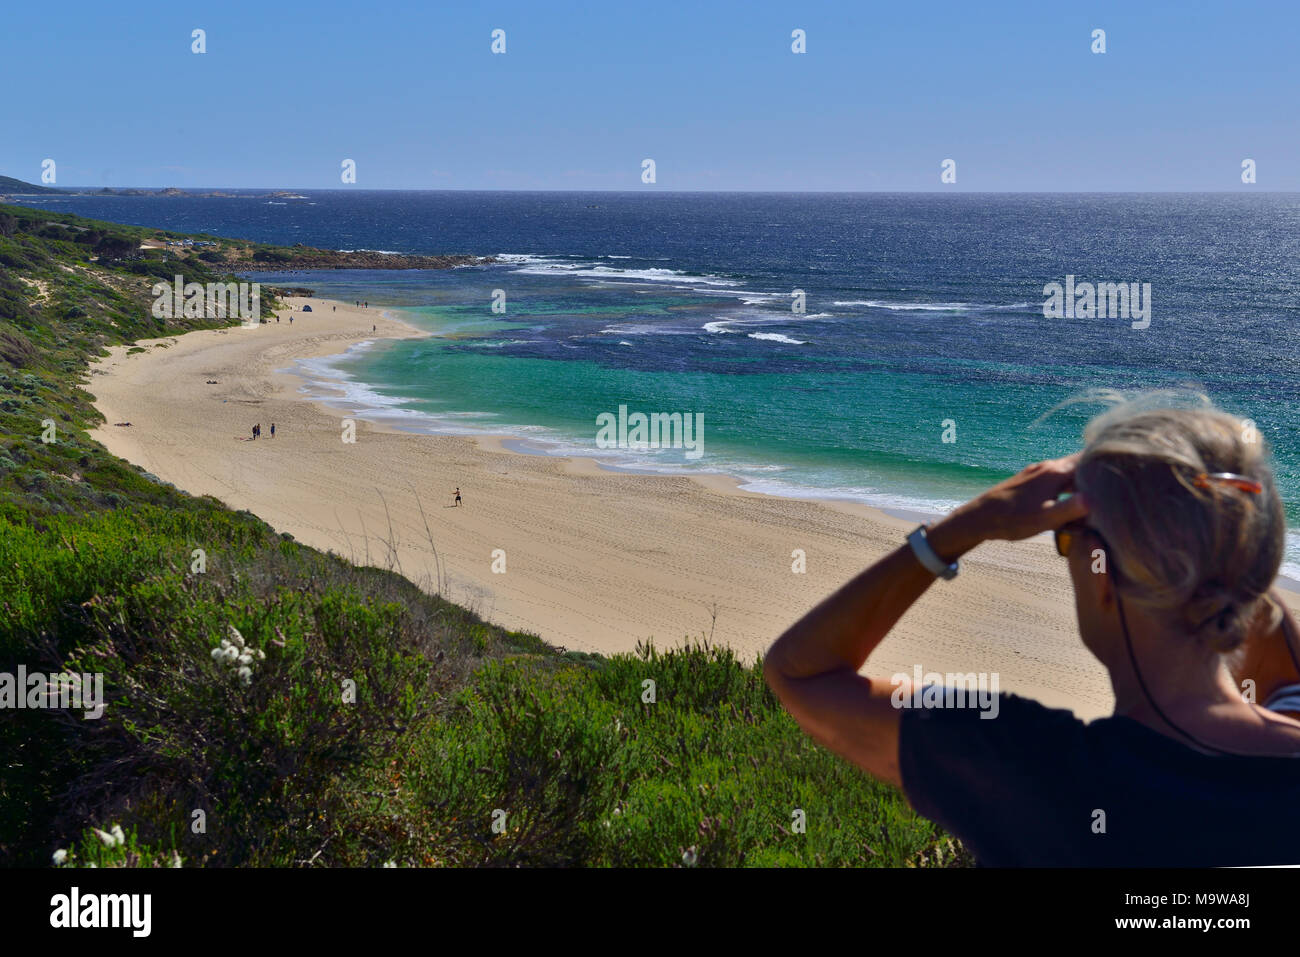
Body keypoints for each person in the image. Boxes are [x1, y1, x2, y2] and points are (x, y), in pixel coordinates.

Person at [764, 399, 1300, 867]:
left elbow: (801, 672)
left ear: (1101, 575)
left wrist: (969, 525)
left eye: (1067, 541)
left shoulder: (1034, 771)